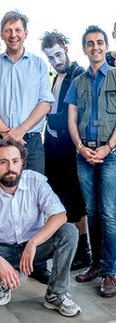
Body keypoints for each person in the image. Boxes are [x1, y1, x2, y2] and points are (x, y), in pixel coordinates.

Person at [0, 138, 81, 317]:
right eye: (3, 162)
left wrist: (33, 243)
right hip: (1, 249)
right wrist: (0, 263)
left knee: (69, 232)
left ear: (22, 163)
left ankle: (55, 294)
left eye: (14, 161)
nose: (10, 168)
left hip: (35, 247)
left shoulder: (36, 182)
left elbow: (60, 215)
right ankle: (4, 281)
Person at [0, 9, 54, 284]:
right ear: (2, 34)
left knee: (36, 199)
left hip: (30, 142)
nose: (13, 35)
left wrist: (20, 131)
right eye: (8, 30)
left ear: (25, 33)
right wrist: (5, 133)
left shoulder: (37, 64)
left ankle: (39, 263)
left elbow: (45, 102)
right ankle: (0, 261)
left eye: (17, 30)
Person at [66, 25, 116, 298]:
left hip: (111, 155)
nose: (94, 47)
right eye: (89, 43)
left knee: (110, 214)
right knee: (93, 212)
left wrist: (108, 147)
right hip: (84, 155)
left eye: (99, 42)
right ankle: (97, 265)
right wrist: (80, 147)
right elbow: (72, 119)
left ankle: (112, 272)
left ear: (106, 47)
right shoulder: (78, 82)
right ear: (84, 49)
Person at [40, 30, 92, 271]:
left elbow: (79, 112)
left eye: (58, 55)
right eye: (50, 57)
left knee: (75, 200)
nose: (55, 60)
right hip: (53, 145)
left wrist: (52, 122)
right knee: (59, 197)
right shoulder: (56, 76)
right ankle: (69, 248)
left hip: (71, 146)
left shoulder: (79, 74)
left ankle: (85, 252)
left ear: (67, 50)